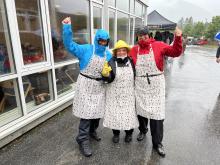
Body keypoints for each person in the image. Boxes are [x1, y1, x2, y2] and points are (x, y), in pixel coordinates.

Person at [62, 17, 112, 157]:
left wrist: (109, 77)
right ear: (97, 40)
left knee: (97, 113)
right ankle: (82, 139)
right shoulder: (85, 49)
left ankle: (92, 132)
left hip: (99, 87)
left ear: (107, 41)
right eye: (101, 40)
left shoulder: (108, 54)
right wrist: (67, 28)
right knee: (86, 114)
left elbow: (112, 70)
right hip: (85, 85)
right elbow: (69, 45)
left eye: (105, 41)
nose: (103, 43)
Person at [129, 26, 182, 157]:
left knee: (157, 116)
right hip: (140, 85)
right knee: (141, 111)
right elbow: (124, 61)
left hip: (156, 85)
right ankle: (142, 130)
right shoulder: (134, 50)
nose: (142, 37)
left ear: (149, 35)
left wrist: (178, 38)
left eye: (145, 35)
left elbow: (175, 52)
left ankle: (157, 143)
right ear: (137, 37)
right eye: (140, 35)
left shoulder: (159, 45)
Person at [102, 40, 139, 143]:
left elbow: (137, 75)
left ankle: (129, 134)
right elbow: (108, 79)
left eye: (123, 50)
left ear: (127, 51)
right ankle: (116, 134)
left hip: (128, 93)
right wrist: (105, 75)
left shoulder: (132, 61)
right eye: (119, 51)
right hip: (114, 94)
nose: (121, 52)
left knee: (129, 115)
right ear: (115, 52)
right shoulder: (111, 62)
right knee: (115, 115)